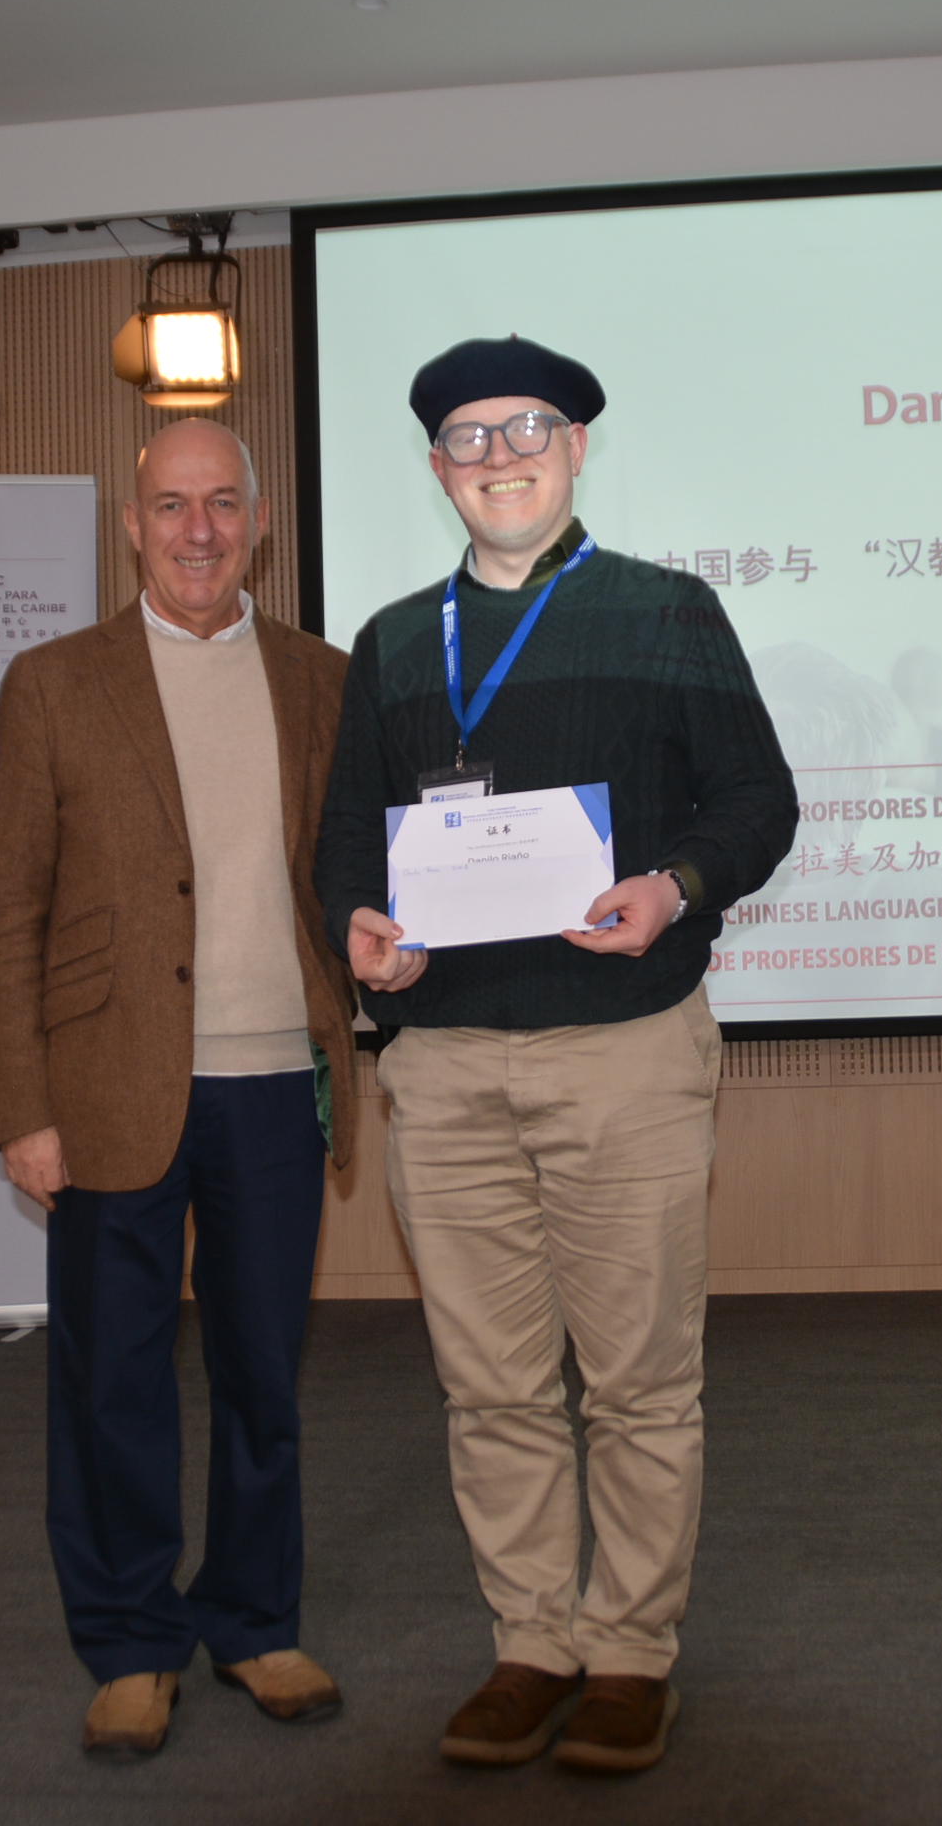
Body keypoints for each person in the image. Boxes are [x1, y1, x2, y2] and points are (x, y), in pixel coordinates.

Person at [314, 337, 797, 1776]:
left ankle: (632, 1651)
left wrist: (674, 886)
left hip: (623, 1054)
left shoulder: (668, 611)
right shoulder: (394, 641)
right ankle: (532, 1640)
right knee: (491, 1387)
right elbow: (345, 842)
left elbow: (756, 800)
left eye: (527, 428)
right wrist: (358, 927)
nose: (500, 455)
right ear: (437, 469)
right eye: (468, 438)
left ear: (576, 446)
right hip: (446, 1067)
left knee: (639, 1381)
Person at [0, 418, 361, 1759]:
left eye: (222, 504)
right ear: (131, 526)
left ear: (259, 523)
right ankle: (131, 1640)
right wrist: (22, 1108)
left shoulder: (322, 678)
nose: (199, 530)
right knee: (112, 1379)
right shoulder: (53, 684)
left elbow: (352, 874)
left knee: (262, 1375)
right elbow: (4, 915)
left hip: (275, 1083)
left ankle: (253, 1619)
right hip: (107, 1090)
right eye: (172, 506)